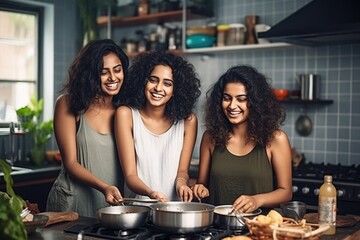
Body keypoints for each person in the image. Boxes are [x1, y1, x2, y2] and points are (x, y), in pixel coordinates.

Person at [192, 65, 292, 213]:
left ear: (256, 102)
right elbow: (202, 185)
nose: (232, 106)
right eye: (227, 98)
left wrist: (257, 200)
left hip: (258, 228)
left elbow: (286, 192)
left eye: (242, 99)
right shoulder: (210, 138)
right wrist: (199, 189)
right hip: (218, 227)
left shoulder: (276, 139)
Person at [46, 39, 129, 217]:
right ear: (90, 74)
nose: (113, 78)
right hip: (72, 201)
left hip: (112, 204)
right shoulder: (68, 104)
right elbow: (70, 163)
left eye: (117, 70)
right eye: (103, 72)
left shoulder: (125, 111)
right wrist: (104, 187)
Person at [114, 51, 201, 202]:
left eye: (167, 83)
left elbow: (182, 171)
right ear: (143, 82)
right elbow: (130, 176)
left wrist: (182, 184)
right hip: (137, 210)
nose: (158, 88)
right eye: (153, 80)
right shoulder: (125, 115)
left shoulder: (188, 121)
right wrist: (151, 193)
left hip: (173, 210)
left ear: (175, 90)